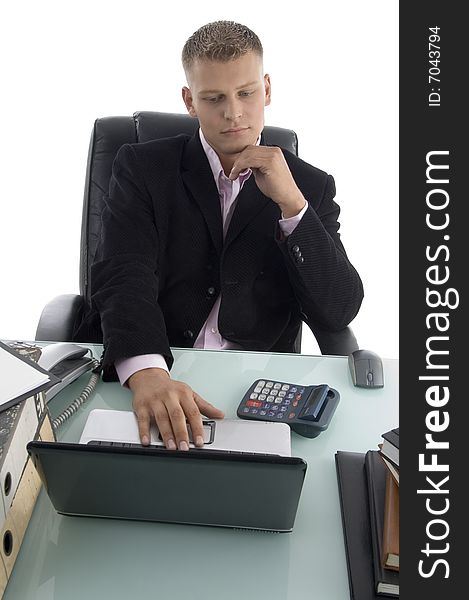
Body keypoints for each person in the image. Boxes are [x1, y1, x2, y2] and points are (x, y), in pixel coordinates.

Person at [81, 20, 363, 451]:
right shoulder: (141, 166)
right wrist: (147, 371)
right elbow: (123, 272)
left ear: (267, 89)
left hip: (254, 390)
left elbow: (338, 310)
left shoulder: (311, 185)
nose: (234, 113)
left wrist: (293, 208)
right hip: (154, 366)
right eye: (214, 99)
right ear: (189, 100)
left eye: (246, 93)